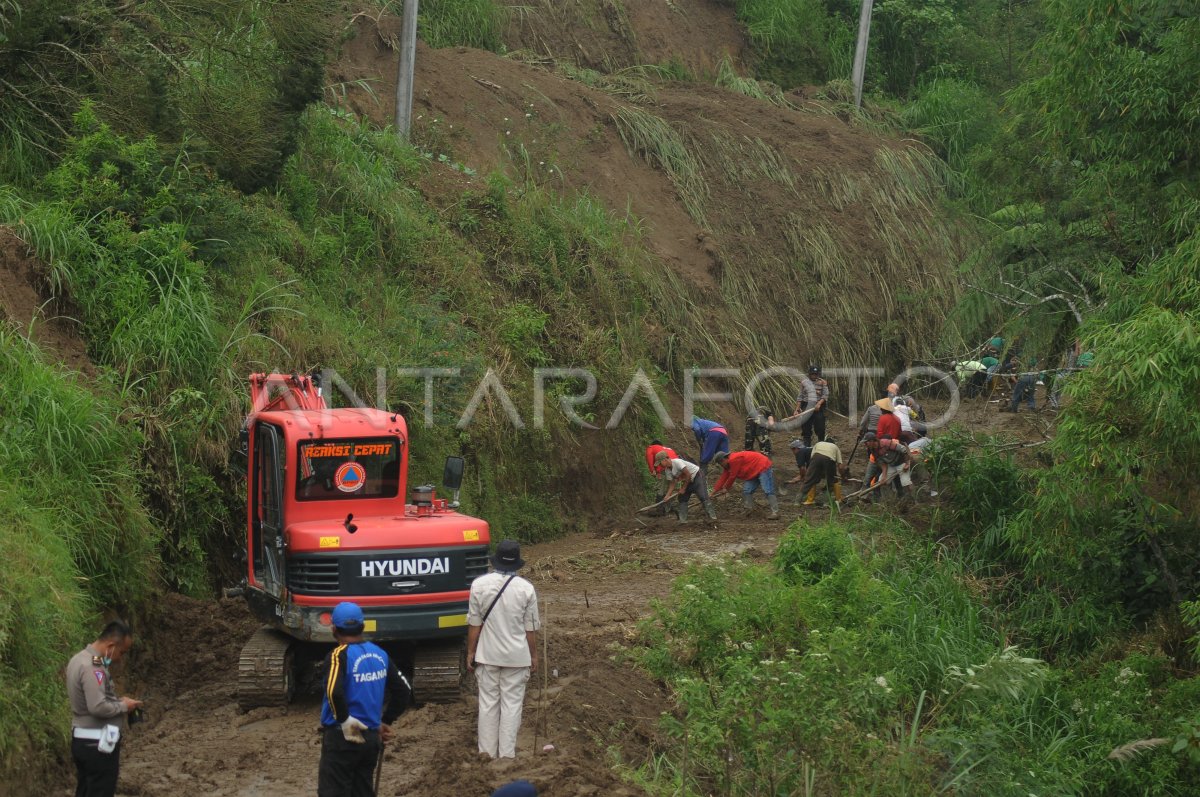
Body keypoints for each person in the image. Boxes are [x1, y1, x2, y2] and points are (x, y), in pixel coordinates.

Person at [318, 602, 411, 797]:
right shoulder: (380, 654)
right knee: (362, 791)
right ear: (363, 626)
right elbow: (403, 690)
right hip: (370, 737)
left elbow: (334, 693)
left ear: (334, 628)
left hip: (343, 736)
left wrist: (345, 722)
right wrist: (385, 721)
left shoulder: (337, 656)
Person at [467, 541, 541, 759]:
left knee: (488, 705)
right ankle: (507, 757)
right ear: (517, 564)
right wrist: (533, 656)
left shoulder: (479, 585)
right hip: (517, 658)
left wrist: (471, 652)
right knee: (512, 706)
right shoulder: (526, 589)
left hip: (488, 656)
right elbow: (530, 630)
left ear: (495, 560)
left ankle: (486, 755)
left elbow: (474, 624)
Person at [66, 620, 142, 797]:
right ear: (111, 646)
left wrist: (116, 701)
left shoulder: (80, 659)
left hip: (86, 742)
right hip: (97, 745)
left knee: (86, 790)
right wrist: (124, 706)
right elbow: (97, 706)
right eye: (121, 652)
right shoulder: (93, 667)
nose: (120, 658)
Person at [711, 450, 780, 519]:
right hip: (753, 471)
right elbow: (723, 478)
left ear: (723, 460)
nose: (721, 466)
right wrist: (712, 493)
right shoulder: (728, 466)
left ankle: (775, 512)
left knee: (768, 490)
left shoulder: (734, 460)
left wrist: (726, 488)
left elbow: (733, 476)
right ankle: (751, 511)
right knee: (747, 491)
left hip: (763, 466)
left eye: (720, 464)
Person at [656, 451, 717, 523]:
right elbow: (672, 483)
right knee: (682, 498)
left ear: (665, 460)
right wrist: (667, 495)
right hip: (687, 481)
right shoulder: (667, 471)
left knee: (703, 496)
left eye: (660, 463)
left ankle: (713, 518)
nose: (660, 465)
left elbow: (688, 475)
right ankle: (683, 520)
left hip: (697, 475)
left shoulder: (677, 463)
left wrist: (683, 488)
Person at [863, 435, 913, 502]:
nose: (865, 444)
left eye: (866, 442)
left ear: (872, 441)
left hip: (902, 463)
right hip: (891, 465)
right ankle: (889, 501)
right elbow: (883, 464)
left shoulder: (885, 443)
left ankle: (912, 500)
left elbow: (903, 449)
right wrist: (884, 476)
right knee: (882, 481)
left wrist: (907, 464)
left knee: (905, 482)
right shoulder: (873, 451)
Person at [796, 436, 844, 507]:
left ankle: (797, 502)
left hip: (816, 458)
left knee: (808, 481)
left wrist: (812, 474)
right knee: (830, 482)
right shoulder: (835, 447)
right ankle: (826, 503)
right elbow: (840, 466)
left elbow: (812, 458)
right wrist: (842, 475)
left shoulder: (819, 443)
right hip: (829, 459)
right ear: (833, 443)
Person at [793, 365, 829, 447]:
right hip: (806, 406)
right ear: (809, 374)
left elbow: (825, 395)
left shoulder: (823, 382)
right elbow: (800, 397)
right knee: (806, 427)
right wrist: (797, 409)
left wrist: (819, 404)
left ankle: (821, 444)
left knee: (820, 427)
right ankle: (807, 445)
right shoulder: (804, 383)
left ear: (818, 374)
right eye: (812, 374)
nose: (814, 376)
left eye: (815, 374)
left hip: (818, 407)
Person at [644, 440, 678, 514]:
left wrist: (652, 470)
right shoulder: (668, 449)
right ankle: (669, 507)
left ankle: (659, 509)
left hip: (665, 466)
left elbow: (649, 456)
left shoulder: (651, 447)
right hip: (675, 466)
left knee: (661, 487)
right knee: (670, 487)